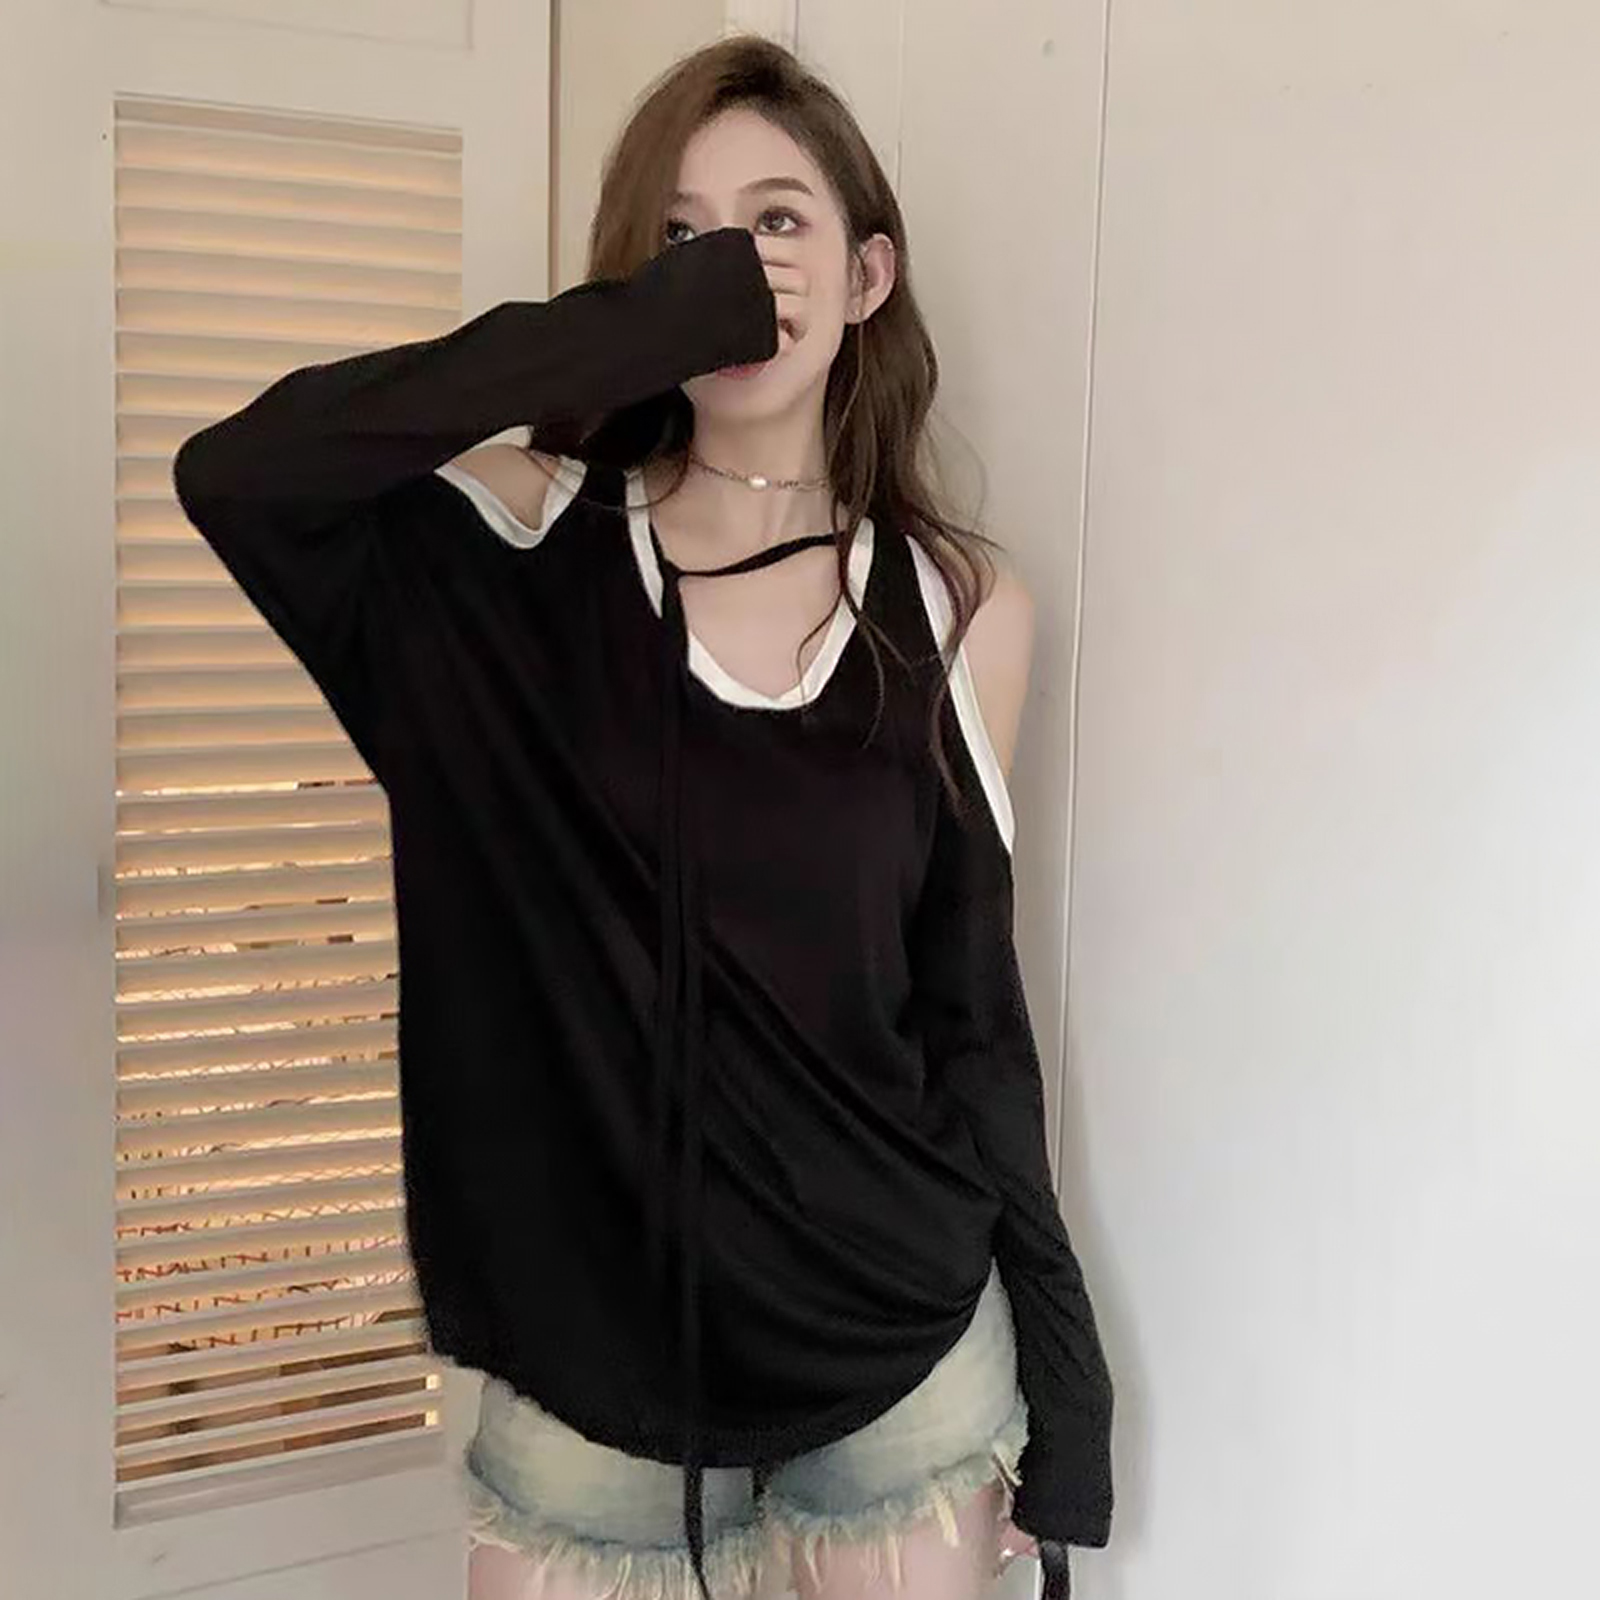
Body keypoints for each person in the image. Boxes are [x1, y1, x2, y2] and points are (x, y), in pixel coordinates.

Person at [172, 33, 1111, 1600]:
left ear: (869, 276)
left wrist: (1072, 1388)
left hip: (898, 1348)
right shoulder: (519, 555)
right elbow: (242, 474)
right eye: (683, 238)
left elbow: (970, 1018)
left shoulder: (958, 607)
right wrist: (623, 337)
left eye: (779, 222)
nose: (736, 268)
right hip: (590, 1366)